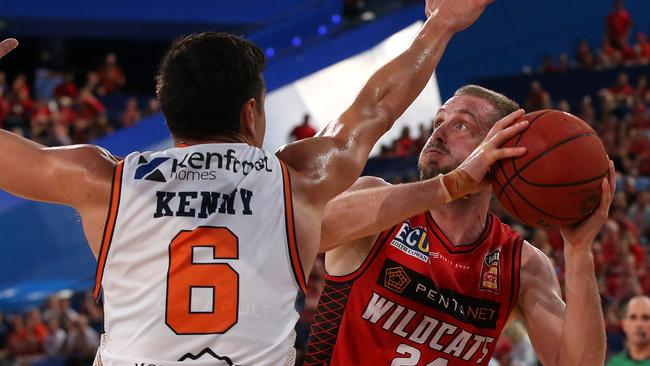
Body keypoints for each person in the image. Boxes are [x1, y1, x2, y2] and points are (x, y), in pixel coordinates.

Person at [0, 0, 506, 364]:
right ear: (251, 113)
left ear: (170, 113)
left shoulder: (104, 182)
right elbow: (373, 111)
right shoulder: (297, 181)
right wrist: (439, 25)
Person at [305, 85, 614, 365]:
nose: (437, 134)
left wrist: (578, 251)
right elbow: (315, 230)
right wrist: (454, 183)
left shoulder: (520, 265)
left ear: (502, 148)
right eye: (439, 122)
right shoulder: (377, 203)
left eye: (461, 125)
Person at [608, 296, 650, 365]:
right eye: (633, 317)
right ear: (624, 324)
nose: (639, 324)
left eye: (645, 318)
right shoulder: (614, 363)